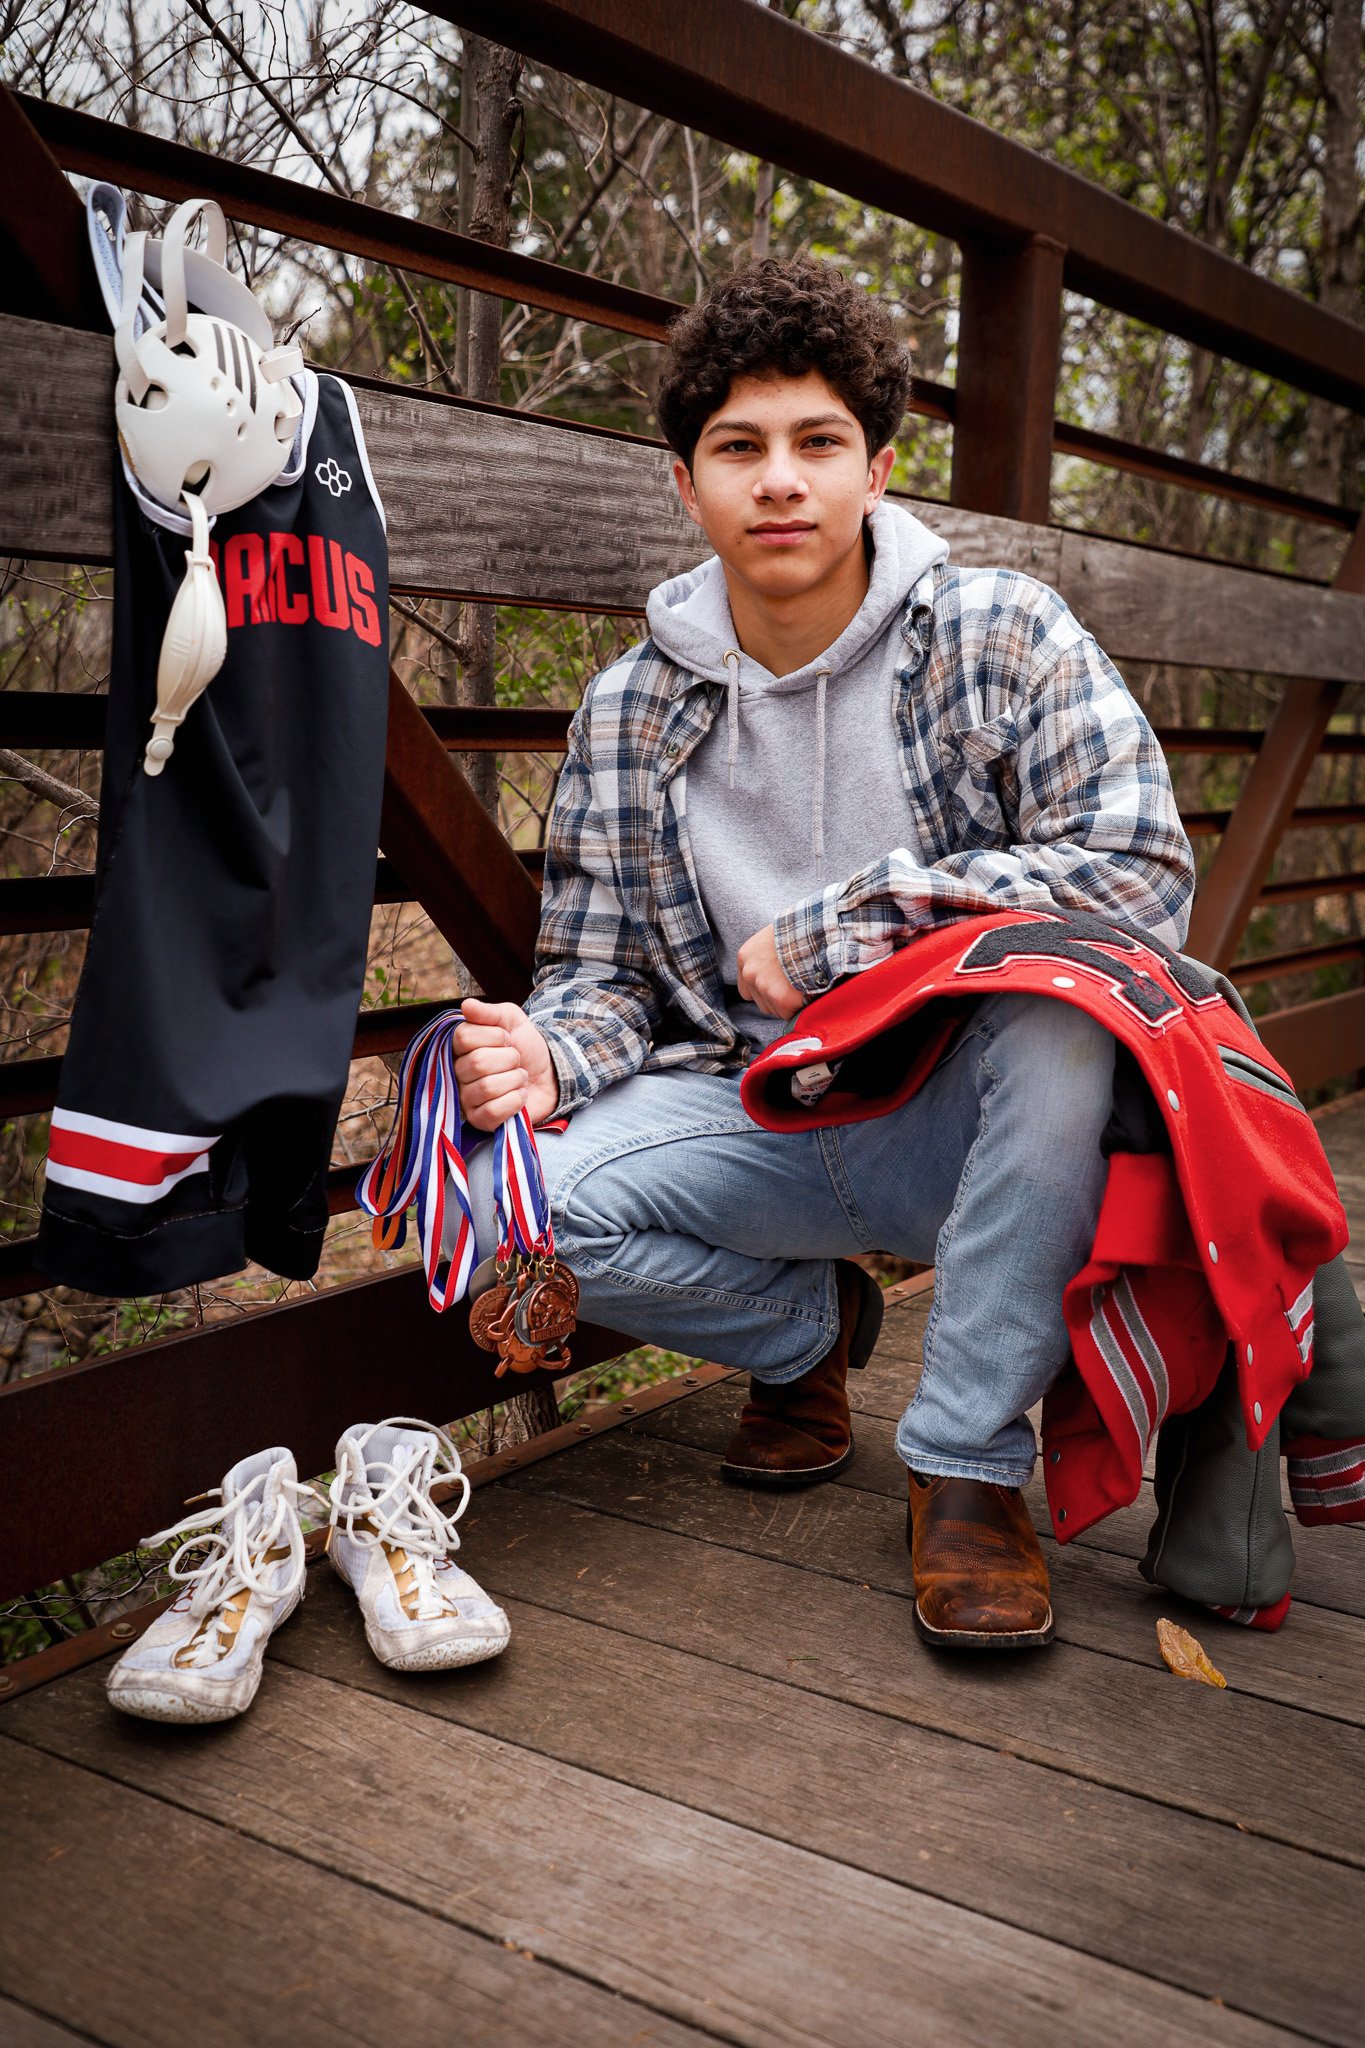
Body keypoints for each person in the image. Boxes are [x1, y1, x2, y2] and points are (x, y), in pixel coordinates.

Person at [455, 258, 1194, 1652]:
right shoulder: (627, 710)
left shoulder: (997, 631)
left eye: (816, 443)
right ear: (685, 486)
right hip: (752, 1111)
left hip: (971, 1121)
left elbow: (1141, 878)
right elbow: (603, 974)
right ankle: (805, 1339)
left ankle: (969, 1469)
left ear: (876, 469)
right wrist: (553, 1049)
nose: (778, 481)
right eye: (737, 448)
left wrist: (850, 927)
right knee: (498, 1206)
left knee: (1061, 1016)